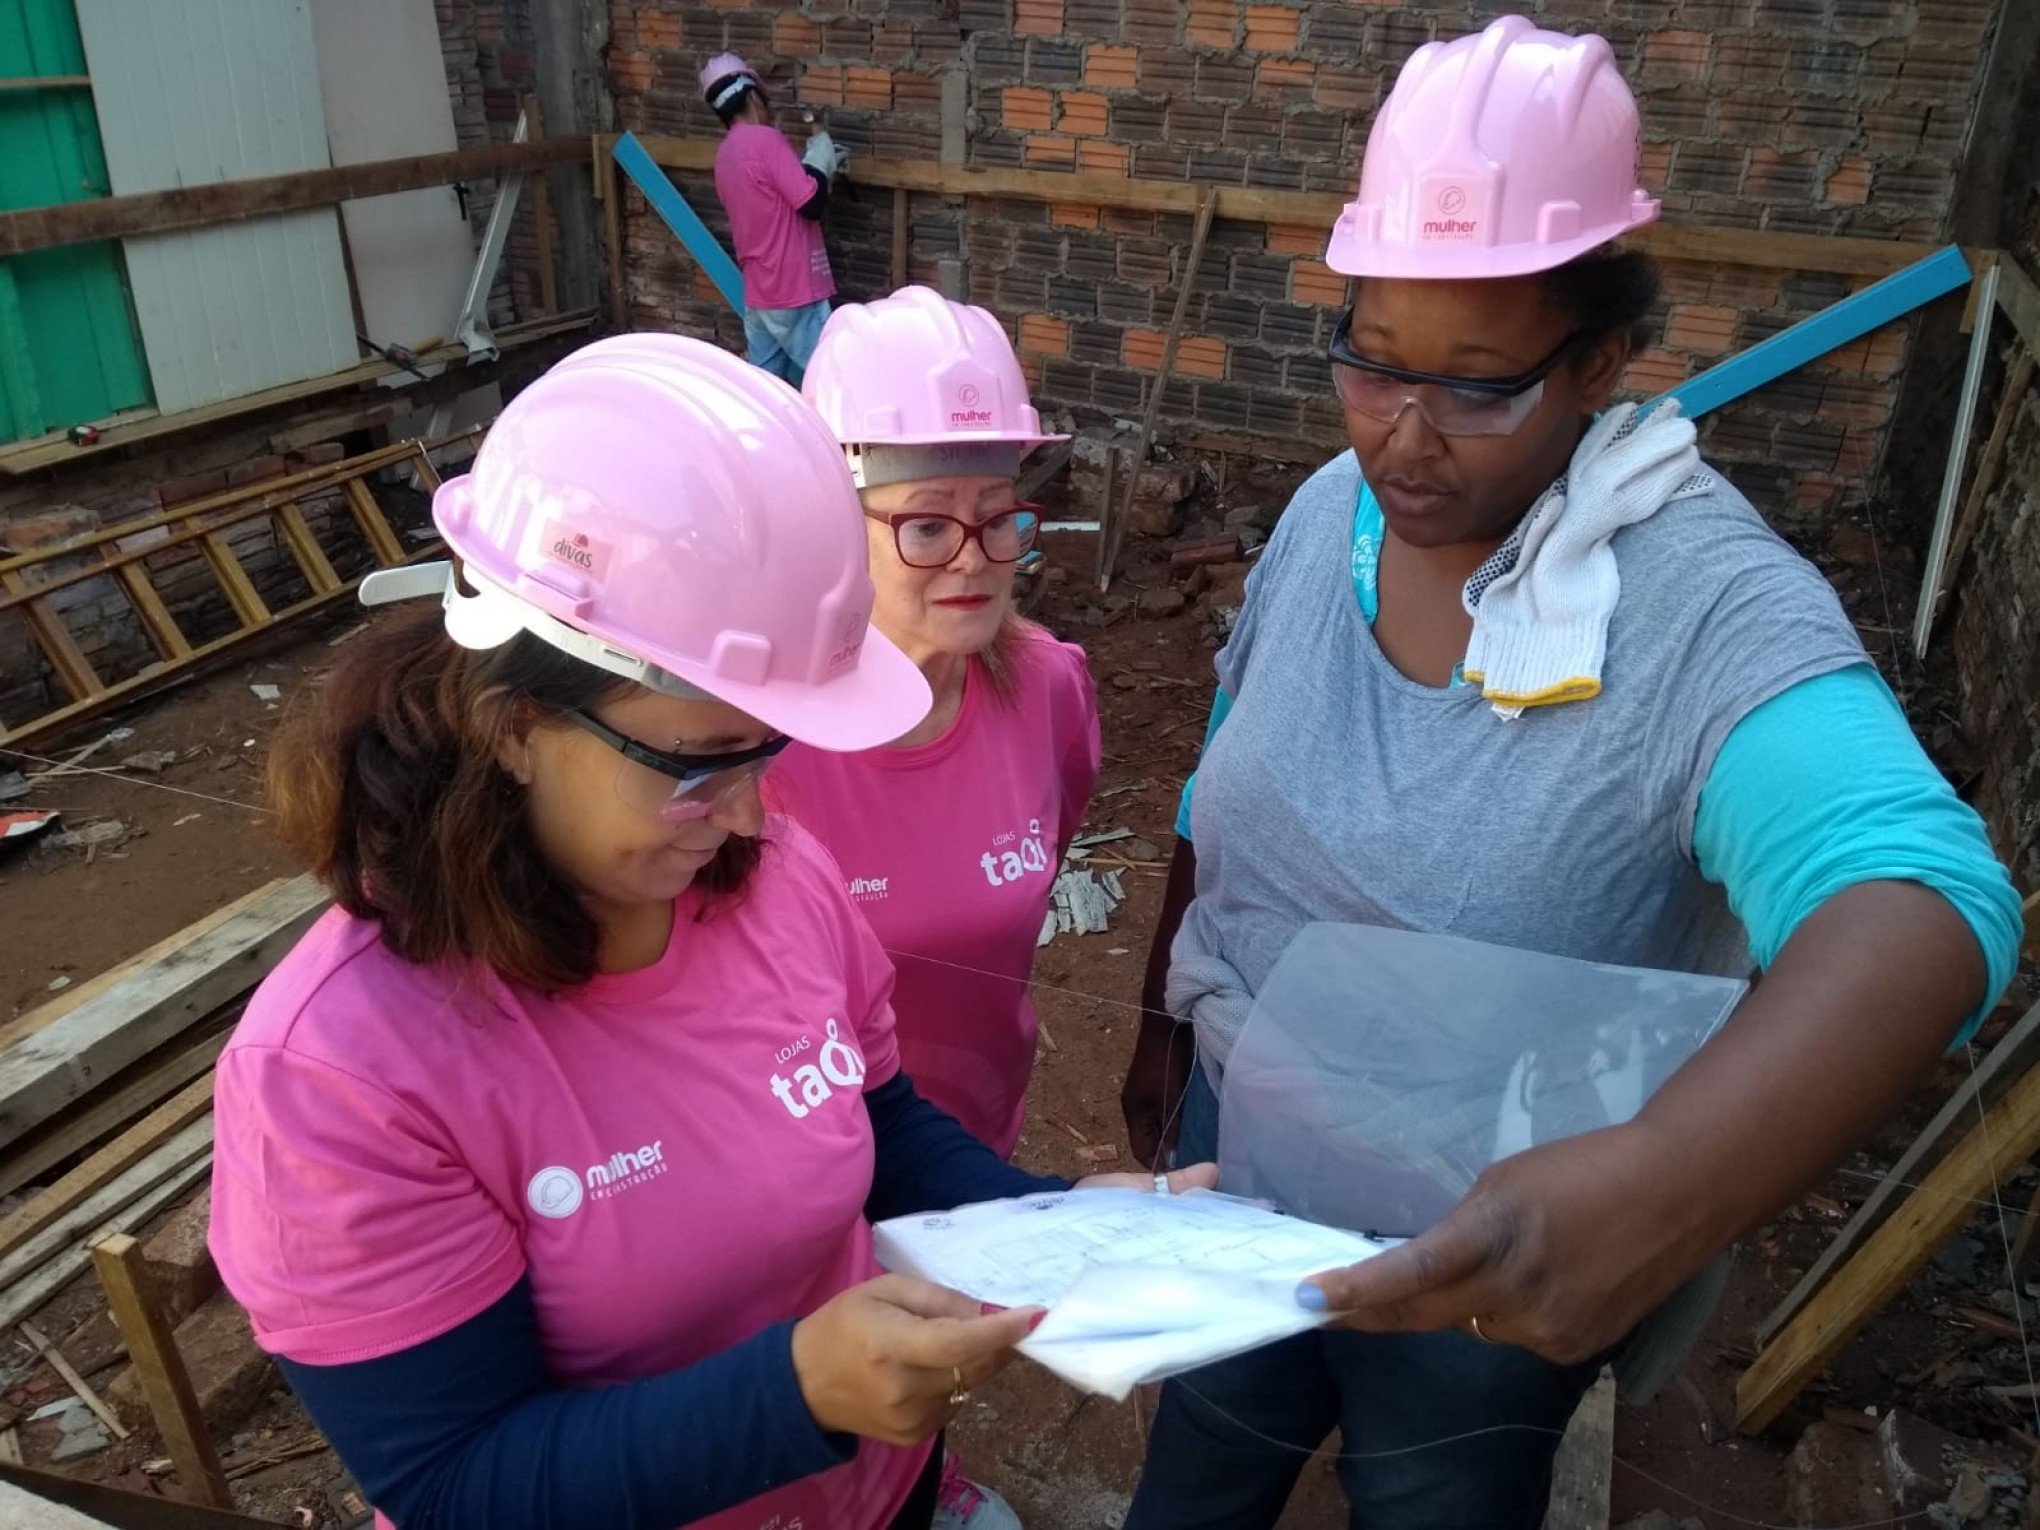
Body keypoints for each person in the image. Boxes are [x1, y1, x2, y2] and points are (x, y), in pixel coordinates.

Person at [1117, 16, 2023, 1529]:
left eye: (1479, 387)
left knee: (1437, 1496)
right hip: (1248, 1141)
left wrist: (1662, 1185)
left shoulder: (1698, 604)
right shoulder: (1327, 510)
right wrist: (1166, 1020)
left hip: (1501, 1227)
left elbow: (1924, 897)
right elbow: (1224, 783)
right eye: (1374, 362)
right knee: (1205, 1462)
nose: (1405, 440)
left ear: (1601, 359)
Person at [205, 334, 1212, 1530]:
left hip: (874, 1497)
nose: (750, 813)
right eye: (696, 761)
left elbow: (876, 1123)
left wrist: (1051, 1228)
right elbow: (452, 1482)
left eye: (767, 747)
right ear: (515, 718)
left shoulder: (770, 876)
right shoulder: (345, 1077)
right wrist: (793, 1395)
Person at [772, 287, 1101, 1529]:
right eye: (924, 527)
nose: (974, 560)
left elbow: (1041, 845)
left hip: (970, 1100)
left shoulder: (1050, 689)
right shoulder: (765, 746)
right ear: (830, 523)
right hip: (809, 1136)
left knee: (932, 1342)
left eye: (1000, 518)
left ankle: (926, 1482)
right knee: (819, 1360)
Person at [702, 52, 846, 385]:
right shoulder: (766, 140)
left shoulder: (724, 155)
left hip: (759, 292)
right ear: (753, 97)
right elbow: (810, 203)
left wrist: (811, 169)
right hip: (794, 287)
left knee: (766, 388)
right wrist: (820, 164)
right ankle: (836, 439)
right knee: (831, 379)